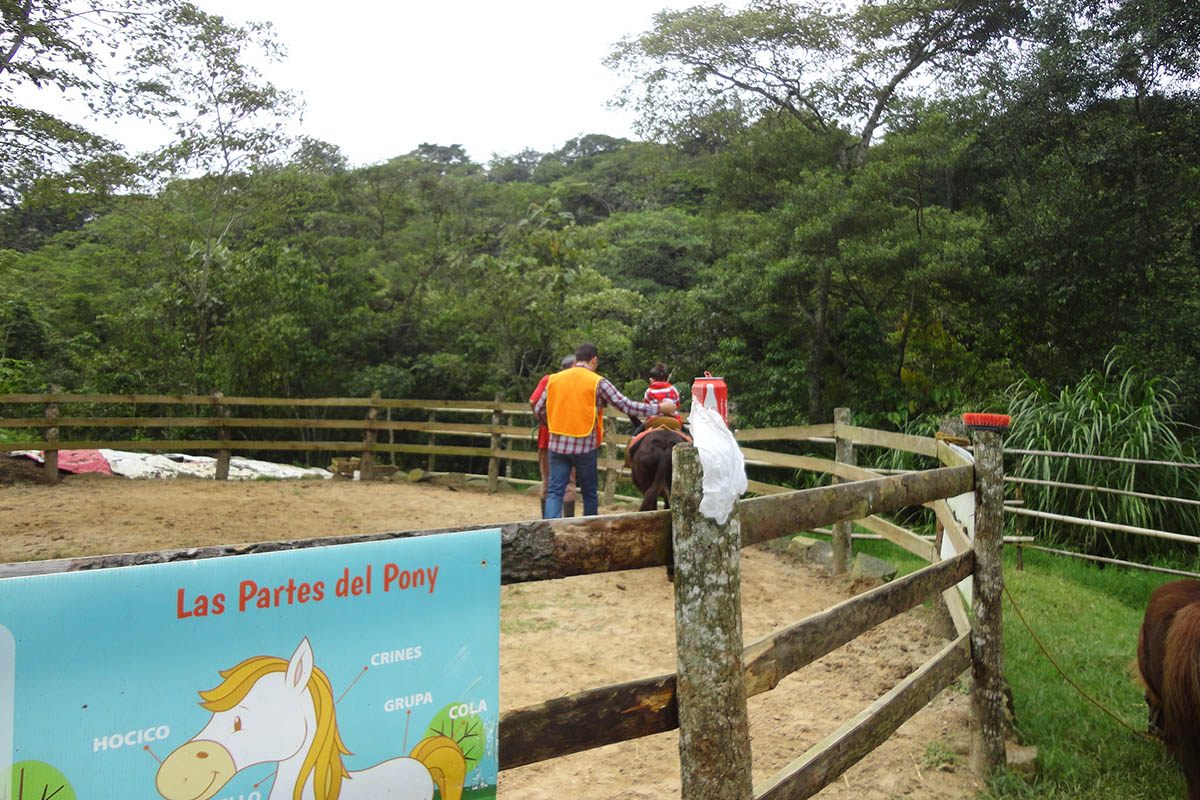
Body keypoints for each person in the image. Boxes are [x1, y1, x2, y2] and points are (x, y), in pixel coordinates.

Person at [533, 343, 677, 518]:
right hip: (585, 446)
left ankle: (551, 531)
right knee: (589, 493)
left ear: (576, 359)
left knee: (555, 492)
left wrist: (550, 425)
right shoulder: (598, 382)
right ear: (594, 360)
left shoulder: (553, 379)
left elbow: (538, 407)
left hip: (557, 445)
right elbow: (626, 405)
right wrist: (660, 408)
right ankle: (591, 531)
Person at [529, 355, 578, 517]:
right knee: (569, 483)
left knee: (549, 482)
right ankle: (569, 522)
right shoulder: (579, 383)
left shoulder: (549, 380)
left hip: (548, 438)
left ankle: (546, 522)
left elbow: (533, 402)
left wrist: (546, 422)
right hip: (572, 438)